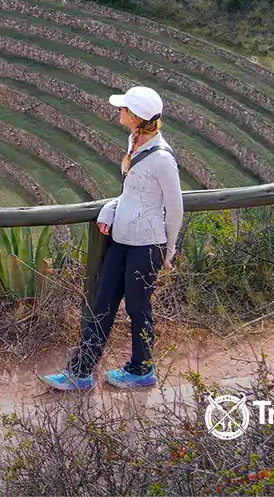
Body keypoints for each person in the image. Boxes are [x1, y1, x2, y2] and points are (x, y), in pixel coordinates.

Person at [44, 86, 184, 391]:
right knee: (103, 303)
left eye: (123, 109)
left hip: (147, 244)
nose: (118, 112)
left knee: (138, 307)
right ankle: (81, 372)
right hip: (123, 237)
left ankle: (141, 369)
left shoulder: (162, 159)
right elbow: (132, 194)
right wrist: (110, 208)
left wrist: (168, 250)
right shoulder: (134, 142)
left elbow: (174, 208)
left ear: (136, 117)